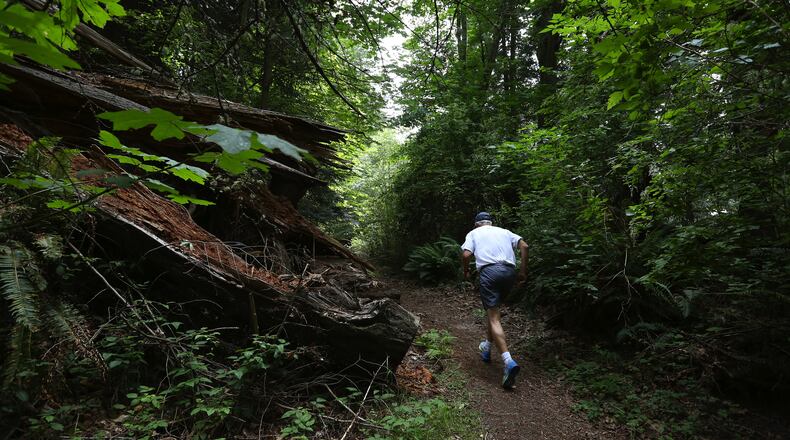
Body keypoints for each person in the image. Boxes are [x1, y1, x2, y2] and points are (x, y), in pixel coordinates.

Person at [461, 211, 528, 389]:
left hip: (489, 273)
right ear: (490, 223)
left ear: (477, 224)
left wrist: (466, 271)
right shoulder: (505, 231)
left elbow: (466, 255)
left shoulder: (474, 233)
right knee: (494, 311)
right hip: (509, 273)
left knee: (493, 317)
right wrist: (522, 271)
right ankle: (487, 347)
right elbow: (525, 246)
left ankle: (508, 361)